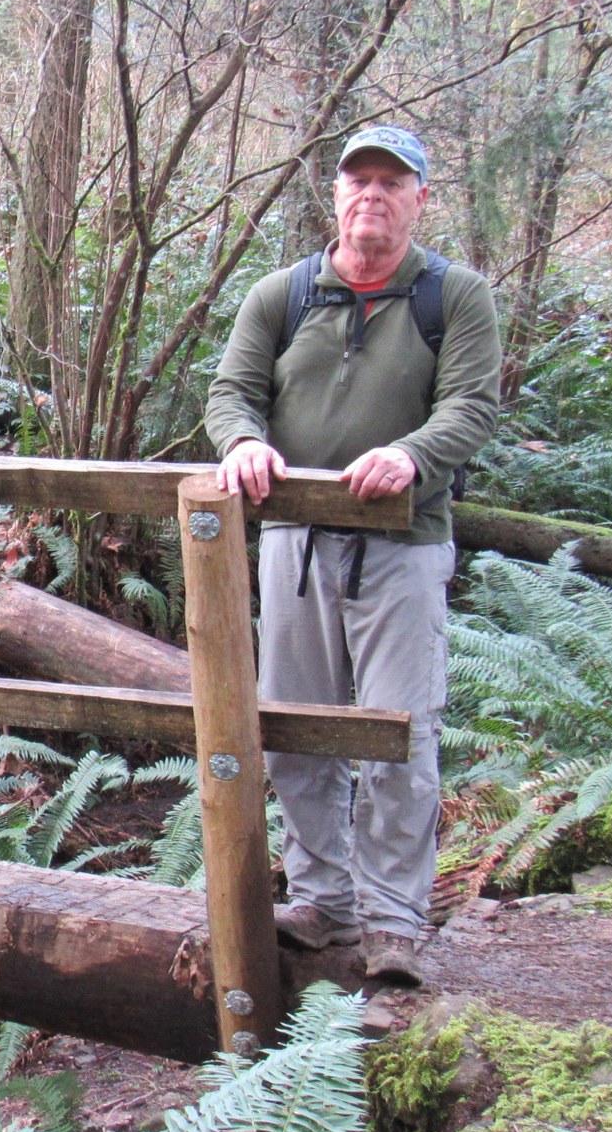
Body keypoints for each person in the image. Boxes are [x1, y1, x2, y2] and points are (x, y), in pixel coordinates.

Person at [205, 126, 500, 987]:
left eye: (391, 182)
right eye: (357, 180)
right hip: (293, 540)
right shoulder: (284, 293)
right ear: (334, 196)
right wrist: (242, 443)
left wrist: (412, 454)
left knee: (398, 735)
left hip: (403, 544)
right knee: (292, 728)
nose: (372, 194)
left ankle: (394, 921)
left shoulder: (456, 296)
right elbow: (232, 391)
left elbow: (474, 406)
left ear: (419, 199)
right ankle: (322, 898)